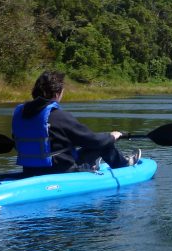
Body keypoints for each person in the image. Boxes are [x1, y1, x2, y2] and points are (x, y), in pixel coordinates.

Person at [12, 70, 140, 176]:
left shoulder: (20, 114)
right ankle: (124, 165)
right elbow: (93, 141)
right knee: (105, 144)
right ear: (57, 93)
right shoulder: (59, 116)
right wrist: (112, 136)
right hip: (61, 171)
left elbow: (17, 144)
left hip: (29, 170)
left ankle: (91, 164)